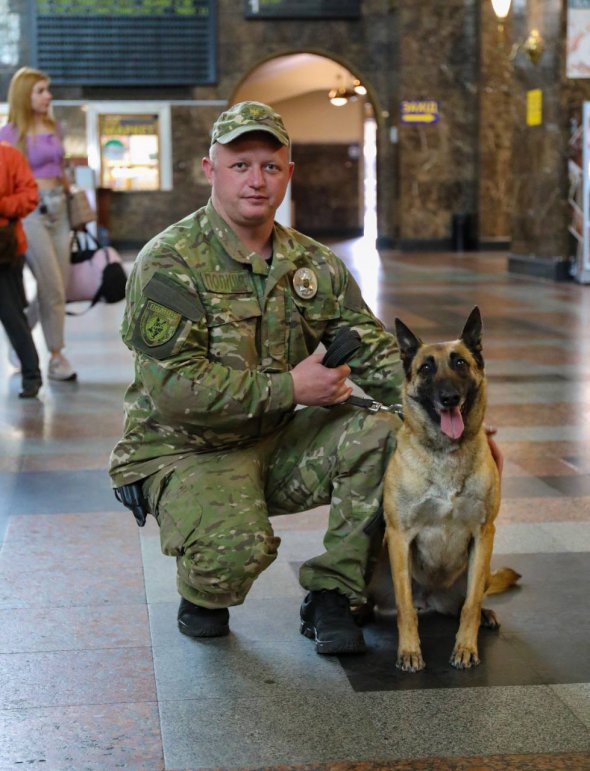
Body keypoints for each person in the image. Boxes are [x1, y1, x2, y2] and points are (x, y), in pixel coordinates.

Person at [109, 101, 502, 654]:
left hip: (276, 439)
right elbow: (174, 393)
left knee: (392, 436)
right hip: (188, 450)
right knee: (230, 554)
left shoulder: (312, 266)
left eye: (270, 166)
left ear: (288, 174)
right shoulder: (169, 262)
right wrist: (291, 389)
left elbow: (379, 356)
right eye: (240, 164)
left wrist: (456, 428)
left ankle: (332, 593)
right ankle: (203, 589)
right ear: (210, 169)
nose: (256, 179)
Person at [0, 67, 77, 382]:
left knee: (56, 289)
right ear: (25, 95)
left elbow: (60, 168)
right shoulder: (9, 134)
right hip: (31, 212)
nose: (49, 96)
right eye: (41, 91)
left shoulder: (53, 127)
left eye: (48, 90)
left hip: (60, 207)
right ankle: (56, 356)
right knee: (53, 288)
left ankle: (21, 341)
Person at [0, 141, 42, 397]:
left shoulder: (9, 156)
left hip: (4, 250)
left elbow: (30, 196)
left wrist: (2, 205)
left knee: (12, 314)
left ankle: (31, 376)